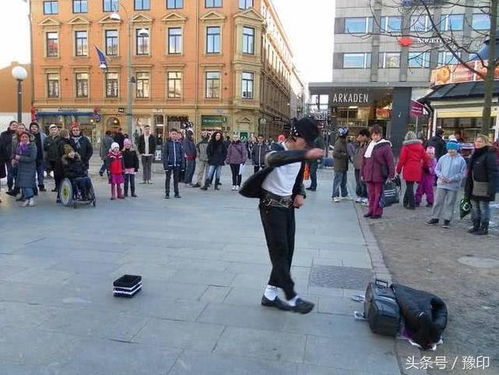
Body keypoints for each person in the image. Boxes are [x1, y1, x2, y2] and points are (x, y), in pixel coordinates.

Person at [239, 117, 323, 314]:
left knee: (288, 251)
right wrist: (305, 153)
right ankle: (293, 297)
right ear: (296, 135)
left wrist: (300, 193)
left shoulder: (301, 157)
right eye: (306, 141)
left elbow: (296, 180)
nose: (308, 146)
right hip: (270, 207)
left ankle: (269, 294)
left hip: (287, 208)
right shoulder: (276, 148)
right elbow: (273, 160)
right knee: (279, 253)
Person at [426, 142, 467, 228]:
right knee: (438, 201)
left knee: (450, 203)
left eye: (453, 149)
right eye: (449, 149)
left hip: (453, 185)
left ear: (457, 149)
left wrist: (452, 179)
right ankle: (435, 217)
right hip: (441, 184)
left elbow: (462, 173)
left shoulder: (461, 160)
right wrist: (441, 177)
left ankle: (447, 219)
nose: (451, 150)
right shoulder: (443, 158)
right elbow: (437, 169)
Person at [464, 134, 497, 235]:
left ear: (485, 143)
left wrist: (492, 187)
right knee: (475, 207)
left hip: (484, 186)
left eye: (480, 142)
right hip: (473, 185)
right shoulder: (475, 154)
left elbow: (493, 172)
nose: (477, 143)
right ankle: (476, 225)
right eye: (476, 141)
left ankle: (484, 228)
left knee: (483, 207)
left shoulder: (489, 154)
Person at [361, 125, 395, 219]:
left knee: (378, 195)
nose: (375, 137)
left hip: (379, 174)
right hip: (369, 174)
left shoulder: (385, 146)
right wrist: (362, 174)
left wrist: (391, 175)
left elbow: (390, 161)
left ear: (380, 135)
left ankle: (377, 212)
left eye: (377, 135)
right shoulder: (369, 146)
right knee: (371, 195)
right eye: (373, 135)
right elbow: (364, 161)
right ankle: (371, 210)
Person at [396, 131, 427, 210]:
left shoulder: (406, 147)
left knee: (409, 186)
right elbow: (425, 158)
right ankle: (405, 201)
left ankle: (412, 204)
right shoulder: (420, 146)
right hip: (417, 167)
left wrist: (398, 170)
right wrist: (425, 167)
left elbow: (402, 160)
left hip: (408, 168)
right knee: (410, 185)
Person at [12, 131, 37, 207]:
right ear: (20, 138)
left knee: (27, 184)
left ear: (29, 138)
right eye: (22, 137)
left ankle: (31, 198)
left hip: (29, 167)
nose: (24, 138)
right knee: (22, 184)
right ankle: (27, 199)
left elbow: (32, 158)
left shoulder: (32, 145)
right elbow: (16, 155)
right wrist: (15, 160)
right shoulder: (19, 146)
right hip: (21, 167)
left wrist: (20, 158)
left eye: (26, 137)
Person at [162, 129, 185, 199]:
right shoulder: (167, 143)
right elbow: (165, 155)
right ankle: (167, 193)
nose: (174, 135)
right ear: (170, 134)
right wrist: (165, 165)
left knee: (176, 179)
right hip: (169, 164)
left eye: (175, 134)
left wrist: (182, 164)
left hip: (177, 164)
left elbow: (182, 154)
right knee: (168, 179)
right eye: (173, 134)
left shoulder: (179, 143)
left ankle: (176, 193)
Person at [332, 127, 351, 202]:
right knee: (337, 181)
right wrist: (344, 155)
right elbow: (335, 153)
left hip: (343, 165)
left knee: (343, 181)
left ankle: (344, 194)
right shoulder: (339, 142)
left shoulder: (344, 142)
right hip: (339, 166)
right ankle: (335, 195)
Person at [0, 121, 17, 195]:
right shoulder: (4, 134)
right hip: (8, 157)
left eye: (16, 125)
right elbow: (2, 145)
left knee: (17, 174)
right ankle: (10, 187)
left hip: (17, 157)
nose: (14, 126)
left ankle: (17, 188)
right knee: (10, 173)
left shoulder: (19, 134)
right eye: (13, 125)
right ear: (9, 126)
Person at [353, 128, 370, 204]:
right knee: (358, 182)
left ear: (364, 136)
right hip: (356, 166)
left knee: (363, 182)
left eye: (360, 136)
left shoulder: (368, 145)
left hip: (363, 167)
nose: (358, 137)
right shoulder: (358, 145)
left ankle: (365, 196)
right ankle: (359, 195)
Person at [29, 122, 47, 192]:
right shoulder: (28, 135)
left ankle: (41, 186)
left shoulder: (43, 135)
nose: (34, 128)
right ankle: (33, 187)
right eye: (32, 127)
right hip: (31, 159)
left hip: (40, 157)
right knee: (32, 174)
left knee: (41, 173)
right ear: (30, 128)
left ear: (38, 128)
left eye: (35, 127)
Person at [44, 124, 60, 190]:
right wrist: (49, 144)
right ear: (49, 131)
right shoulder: (47, 138)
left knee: (58, 174)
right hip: (50, 159)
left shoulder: (59, 138)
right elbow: (45, 147)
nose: (53, 131)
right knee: (54, 173)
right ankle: (56, 186)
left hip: (58, 159)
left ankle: (58, 186)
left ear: (57, 130)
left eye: (54, 130)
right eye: (52, 130)